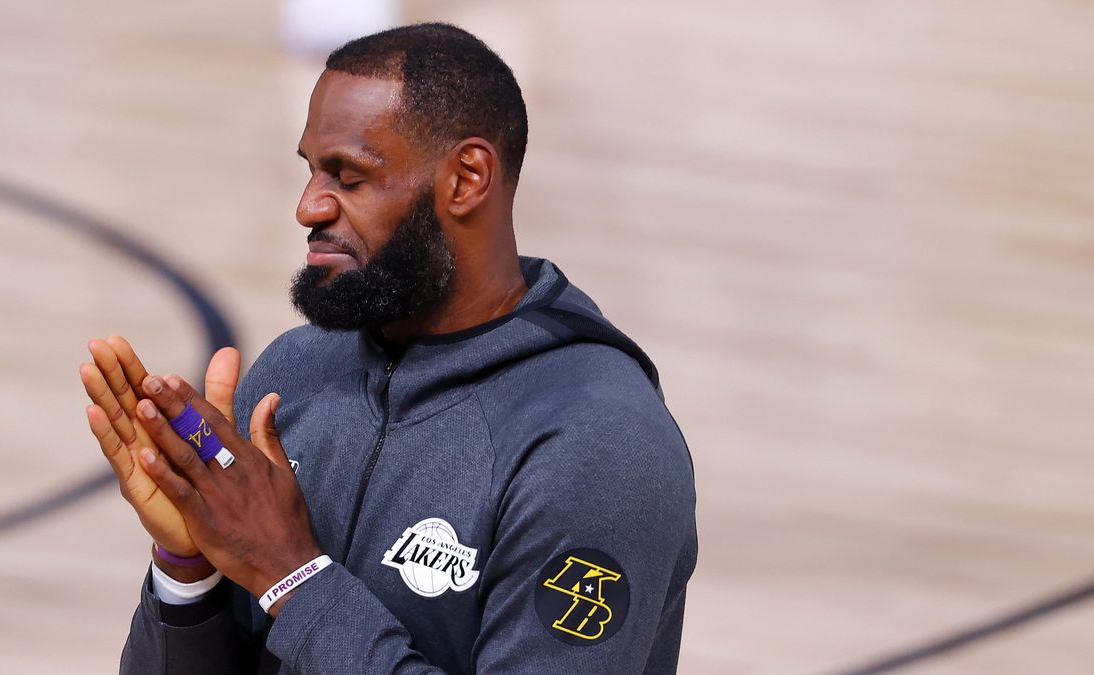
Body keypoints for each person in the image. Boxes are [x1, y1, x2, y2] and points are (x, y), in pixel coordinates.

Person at [79, 22, 697, 674]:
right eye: (312, 170)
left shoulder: (596, 445)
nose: (308, 206)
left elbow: (288, 573)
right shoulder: (296, 373)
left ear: (466, 178)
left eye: (348, 176)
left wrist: (290, 573)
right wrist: (190, 573)